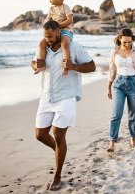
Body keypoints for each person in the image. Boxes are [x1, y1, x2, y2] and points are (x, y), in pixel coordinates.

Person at [31, 20, 96, 191]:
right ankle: (60, 152)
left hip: (66, 97)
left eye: (51, 36)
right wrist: (34, 64)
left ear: (59, 32)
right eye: (45, 36)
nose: (48, 40)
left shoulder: (74, 47)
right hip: (46, 97)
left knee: (58, 135)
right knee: (40, 135)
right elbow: (34, 62)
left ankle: (57, 176)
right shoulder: (43, 46)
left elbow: (92, 66)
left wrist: (74, 66)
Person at [107, 28, 135, 152]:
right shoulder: (114, 51)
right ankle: (112, 141)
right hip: (118, 84)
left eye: (129, 42)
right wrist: (109, 87)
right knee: (116, 114)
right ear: (120, 40)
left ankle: (133, 137)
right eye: (124, 42)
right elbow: (112, 70)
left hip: (134, 83)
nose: (127, 44)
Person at [34, 0, 74, 76]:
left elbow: (70, 20)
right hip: (54, 31)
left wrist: (58, 26)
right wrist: (47, 28)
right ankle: (41, 65)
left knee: (64, 43)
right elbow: (48, 21)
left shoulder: (65, 7)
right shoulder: (51, 9)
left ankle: (66, 66)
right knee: (42, 43)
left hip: (65, 31)